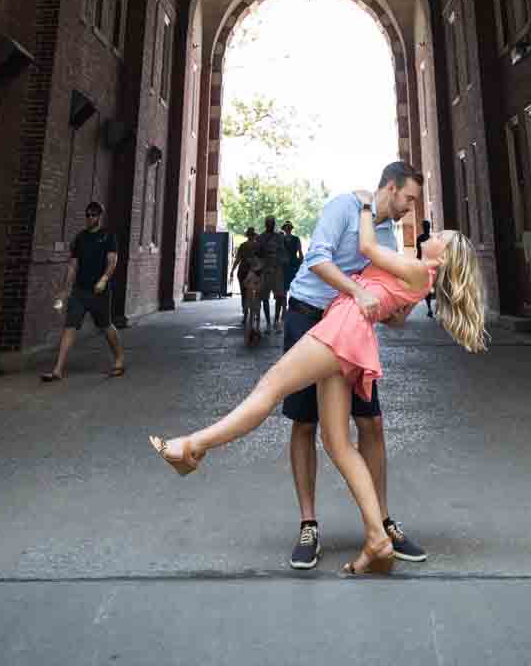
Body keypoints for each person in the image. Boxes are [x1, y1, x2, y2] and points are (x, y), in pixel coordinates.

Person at [150, 197, 487, 574]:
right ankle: (377, 539)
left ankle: (190, 447)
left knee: (268, 389)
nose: (433, 232)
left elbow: (367, 247)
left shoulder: (415, 269)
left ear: (444, 257)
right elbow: (389, 305)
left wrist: (363, 207)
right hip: (346, 336)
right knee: (337, 443)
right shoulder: (417, 276)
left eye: (440, 235)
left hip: (340, 333)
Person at [282, 162, 428, 573]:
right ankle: (308, 525)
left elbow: (389, 313)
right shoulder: (343, 208)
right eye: (409, 199)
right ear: (390, 187)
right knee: (305, 423)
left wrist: (408, 302)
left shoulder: (386, 238)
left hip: (350, 329)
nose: (409, 209)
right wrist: (357, 291)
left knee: (372, 423)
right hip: (308, 316)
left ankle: (382, 522)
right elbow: (316, 259)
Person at [42, 200, 125, 381]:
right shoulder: (80, 238)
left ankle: (119, 358)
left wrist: (104, 279)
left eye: (93, 215)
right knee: (70, 326)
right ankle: (57, 369)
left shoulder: (108, 236)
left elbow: (112, 261)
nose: (89, 218)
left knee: (105, 326)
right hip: (80, 291)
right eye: (87, 215)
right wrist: (65, 290)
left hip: (99, 292)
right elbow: (73, 266)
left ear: (99, 217)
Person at [233, 228, 265, 343]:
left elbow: (238, 259)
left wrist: (232, 270)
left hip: (243, 271)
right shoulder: (258, 246)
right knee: (256, 296)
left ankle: (245, 314)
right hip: (255, 272)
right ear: (254, 235)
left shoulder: (243, 245)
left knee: (244, 293)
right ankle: (254, 317)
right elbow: (262, 261)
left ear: (247, 235)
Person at [258, 214, 288, 331]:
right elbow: (257, 254)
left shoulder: (279, 237)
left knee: (279, 296)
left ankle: (276, 320)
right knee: (264, 297)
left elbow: (284, 253)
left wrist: (282, 261)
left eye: (272, 223)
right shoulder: (260, 238)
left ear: (274, 224)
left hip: (277, 270)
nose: (270, 225)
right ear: (265, 224)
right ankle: (268, 323)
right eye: (268, 223)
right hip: (265, 270)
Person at [416, 216, 435, 319]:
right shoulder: (432, 238)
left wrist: (417, 263)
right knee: (434, 285)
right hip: (432, 263)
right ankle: (433, 309)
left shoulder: (420, 238)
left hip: (424, 263)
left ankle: (429, 309)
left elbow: (419, 252)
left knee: (427, 286)